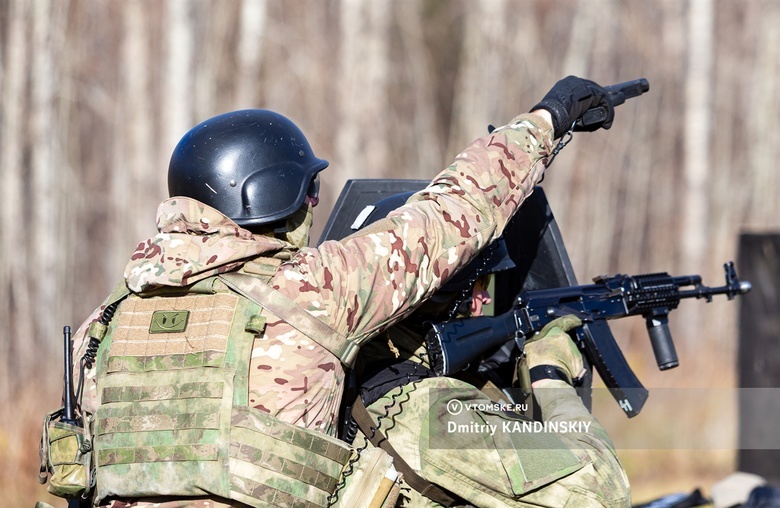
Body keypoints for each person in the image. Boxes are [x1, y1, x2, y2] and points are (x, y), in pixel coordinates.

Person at [61, 76, 620, 507]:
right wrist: (546, 121)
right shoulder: (312, 290)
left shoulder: (106, 324)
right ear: (270, 194)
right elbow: (454, 215)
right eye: (309, 190)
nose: (313, 205)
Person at [346, 192, 631, 507]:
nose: (484, 302)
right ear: (436, 295)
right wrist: (550, 376)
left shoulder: (356, 370)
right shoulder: (432, 415)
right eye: (479, 286)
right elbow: (604, 492)